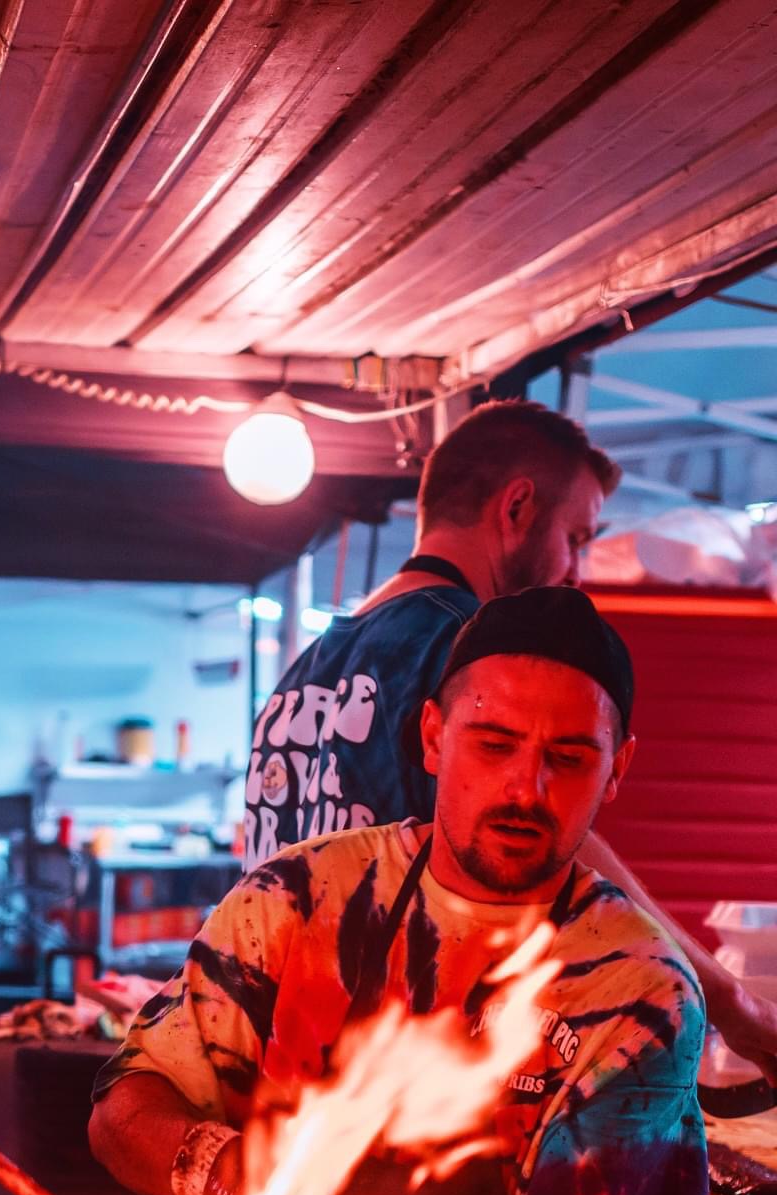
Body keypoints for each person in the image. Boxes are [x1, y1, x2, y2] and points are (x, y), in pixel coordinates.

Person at [93, 587, 707, 1195]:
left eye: (569, 759)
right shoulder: (295, 902)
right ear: (432, 736)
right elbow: (123, 1112)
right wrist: (234, 1176)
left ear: (618, 768)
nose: (526, 789)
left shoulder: (640, 989)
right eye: (493, 744)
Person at [241, 397, 777, 1082]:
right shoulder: (463, 653)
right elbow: (556, 848)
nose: (576, 570)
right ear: (517, 507)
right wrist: (730, 1002)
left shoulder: (303, 670)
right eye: (576, 537)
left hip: (279, 1078)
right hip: (395, 1090)